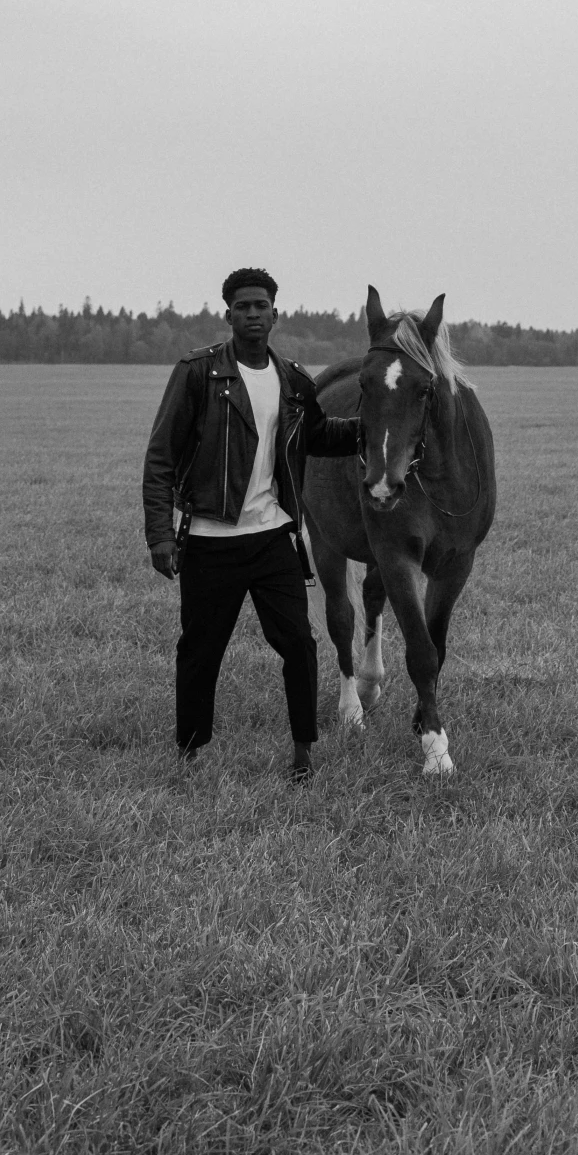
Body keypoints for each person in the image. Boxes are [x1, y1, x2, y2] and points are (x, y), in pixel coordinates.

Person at [142, 268, 362, 779]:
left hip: (272, 537)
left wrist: (369, 430)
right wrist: (159, 534)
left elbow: (318, 435)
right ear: (228, 315)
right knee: (200, 650)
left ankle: (303, 756)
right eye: (243, 307)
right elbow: (160, 457)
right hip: (209, 539)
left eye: (261, 306)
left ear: (275, 314)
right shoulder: (197, 374)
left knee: (299, 645)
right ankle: (190, 754)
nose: (253, 315)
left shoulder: (293, 380)